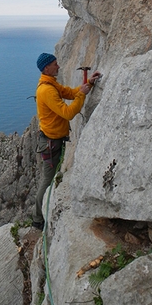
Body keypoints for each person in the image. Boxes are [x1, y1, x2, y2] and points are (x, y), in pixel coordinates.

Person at [32, 52, 101, 230]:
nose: (59, 66)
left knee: (50, 178)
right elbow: (68, 113)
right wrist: (82, 95)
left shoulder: (50, 83)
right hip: (50, 143)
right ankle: (38, 219)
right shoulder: (46, 90)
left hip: (52, 141)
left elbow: (69, 93)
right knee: (47, 181)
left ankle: (40, 215)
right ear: (47, 68)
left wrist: (88, 85)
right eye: (55, 64)